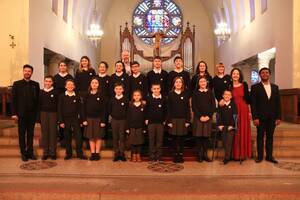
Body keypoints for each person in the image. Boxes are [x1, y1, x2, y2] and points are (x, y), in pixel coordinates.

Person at [251, 67, 281, 164]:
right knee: (260, 136)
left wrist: (278, 117)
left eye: (266, 72)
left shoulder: (275, 87)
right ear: (260, 75)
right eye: (262, 73)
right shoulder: (255, 87)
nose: (265, 74)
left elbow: (278, 103)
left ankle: (269, 156)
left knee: (270, 137)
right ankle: (260, 156)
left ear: (269, 74)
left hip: (272, 117)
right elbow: (253, 104)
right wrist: (255, 117)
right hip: (260, 118)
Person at [11, 64, 40, 161]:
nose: (27, 72)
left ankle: (30, 152)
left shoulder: (36, 84)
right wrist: (14, 113)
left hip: (32, 114)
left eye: (29, 71)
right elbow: (13, 100)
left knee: (31, 134)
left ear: (32, 73)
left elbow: (37, 101)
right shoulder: (16, 84)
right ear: (23, 71)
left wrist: (37, 115)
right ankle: (23, 153)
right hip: (21, 114)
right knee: (22, 133)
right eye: (26, 71)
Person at [58, 79, 87, 160]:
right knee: (67, 137)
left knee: (78, 137)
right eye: (68, 84)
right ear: (65, 86)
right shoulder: (62, 96)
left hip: (75, 119)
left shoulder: (77, 96)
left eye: (72, 85)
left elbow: (80, 109)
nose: (70, 86)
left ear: (74, 86)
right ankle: (69, 153)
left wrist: (82, 120)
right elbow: (59, 109)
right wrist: (61, 121)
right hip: (65, 119)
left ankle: (79, 153)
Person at [227, 68, 252, 161]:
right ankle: (235, 154)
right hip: (233, 110)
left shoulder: (244, 85)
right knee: (235, 131)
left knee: (243, 131)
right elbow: (227, 98)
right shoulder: (229, 86)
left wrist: (249, 112)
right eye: (234, 73)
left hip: (244, 110)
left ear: (240, 75)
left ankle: (242, 154)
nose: (235, 75)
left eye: (237, 74)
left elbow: (248, 100)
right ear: (231, 75)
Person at [82, 78, 107, 161]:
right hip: (89, 119)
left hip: (99, 119)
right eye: (93, 83)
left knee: (98, 136)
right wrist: (84, 119)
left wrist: (103, 121)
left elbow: (104, 109)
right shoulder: (86, 94)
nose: (94, 84)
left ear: (98, 84)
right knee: (91, 137)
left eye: (96, 83)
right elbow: (83, 108)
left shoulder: (102, 95)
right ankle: (92, 153)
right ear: (90, 84)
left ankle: (97, 153)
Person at [192, 76, 215, 162]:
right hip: (198, 118)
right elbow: (194, 106)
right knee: (199, 137)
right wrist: (200, 116)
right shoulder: (195, 93)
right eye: (201, 82)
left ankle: (205, 154)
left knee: (206, 137)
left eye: (204, 81)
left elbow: (213, 106)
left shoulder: (210, 93)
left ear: (206, 83)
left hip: (208, 118)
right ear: (198, 83)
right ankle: (199, 155)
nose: (202, 83)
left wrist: (208, 116)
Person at [167, 77, 190, 163]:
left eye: (180, 82)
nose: (178, 84)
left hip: (183, 119)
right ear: (174, 84)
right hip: (173, 120)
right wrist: (169, 121)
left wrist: (188, 120)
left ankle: (180, 154)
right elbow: (168, 108)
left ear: (182, 84)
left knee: (181, 138)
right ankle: (175, 155)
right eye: (176, 82)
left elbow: (188, 108)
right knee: (174, 138)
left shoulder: (185, 94)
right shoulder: (170, 94)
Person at [53, 61, 73, 147]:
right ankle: (61, 139)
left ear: (66, 67)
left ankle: (68, 139)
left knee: (68, 121)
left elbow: (72, 88)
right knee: (60, 120)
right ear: (59, 67)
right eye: (61, 65)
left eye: (64, 65)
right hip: (58, 100)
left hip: (68, 100)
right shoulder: (56, 77)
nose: (62, 67)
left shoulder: (70, 76)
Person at [145, 83, 167, 162]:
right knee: (151, 140)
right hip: (151, 122)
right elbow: (146, 110)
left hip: (160, 122)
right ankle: (152, 156)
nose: (156, 90)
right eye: (154, 89)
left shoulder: (163, 98)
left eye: (158, 88)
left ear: (160, 89)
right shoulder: (148, 98)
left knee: (159, 140)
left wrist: (165, 120)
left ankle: (159, 157)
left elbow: (166, 110)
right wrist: (146, 118)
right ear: (151, 90)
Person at [39, 76, 58, 160]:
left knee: (53, 133)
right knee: (45, 133)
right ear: (44, 82)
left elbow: (58, 105)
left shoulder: (56, 92)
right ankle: (46, 152)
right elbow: (38, 105)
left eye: (50, 81)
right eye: (46, 81)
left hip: (53, 114)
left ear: (52, 82)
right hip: (43, 114)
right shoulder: (41, 92)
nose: (48, 83)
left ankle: (53, 152)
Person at [108, 82, 129, 162]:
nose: (118, 90)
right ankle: (116, 154)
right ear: (114, 90)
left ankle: (122, 154)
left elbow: (128, 111)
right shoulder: (112, 99)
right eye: (117, 89)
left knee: (122, 138)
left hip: (123, 121)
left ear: (123, 90)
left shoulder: (126, 99)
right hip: (114, 121)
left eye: (120, 89)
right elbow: (109, 110)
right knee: (115, 138)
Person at [217, 89, 237, 165]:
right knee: (225, 142)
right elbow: (218, 115)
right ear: (223, 96)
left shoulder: (233, 104)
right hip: (222, 126)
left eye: (229, 94)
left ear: (231, 96)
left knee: (229, 142)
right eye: (225, 94)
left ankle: (227, 158)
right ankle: (229, 156)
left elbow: (235, 116)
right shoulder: (221, 104)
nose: (227, 96)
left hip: (230, 127)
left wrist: (232, 125)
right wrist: (219, 124)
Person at [126, 90, 146, 162]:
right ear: (133, 97)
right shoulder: (130, 105)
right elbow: (128, 117)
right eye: (135, 95)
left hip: (140, 127)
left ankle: (138, 155)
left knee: (139, 142)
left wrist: (144, 128)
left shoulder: (143, 105)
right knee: (133, 142)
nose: (136, 97)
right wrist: (127, 127)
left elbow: (144, 117)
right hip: (132, 126)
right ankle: (134, 155)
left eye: (138, 95)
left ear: (140, 96)